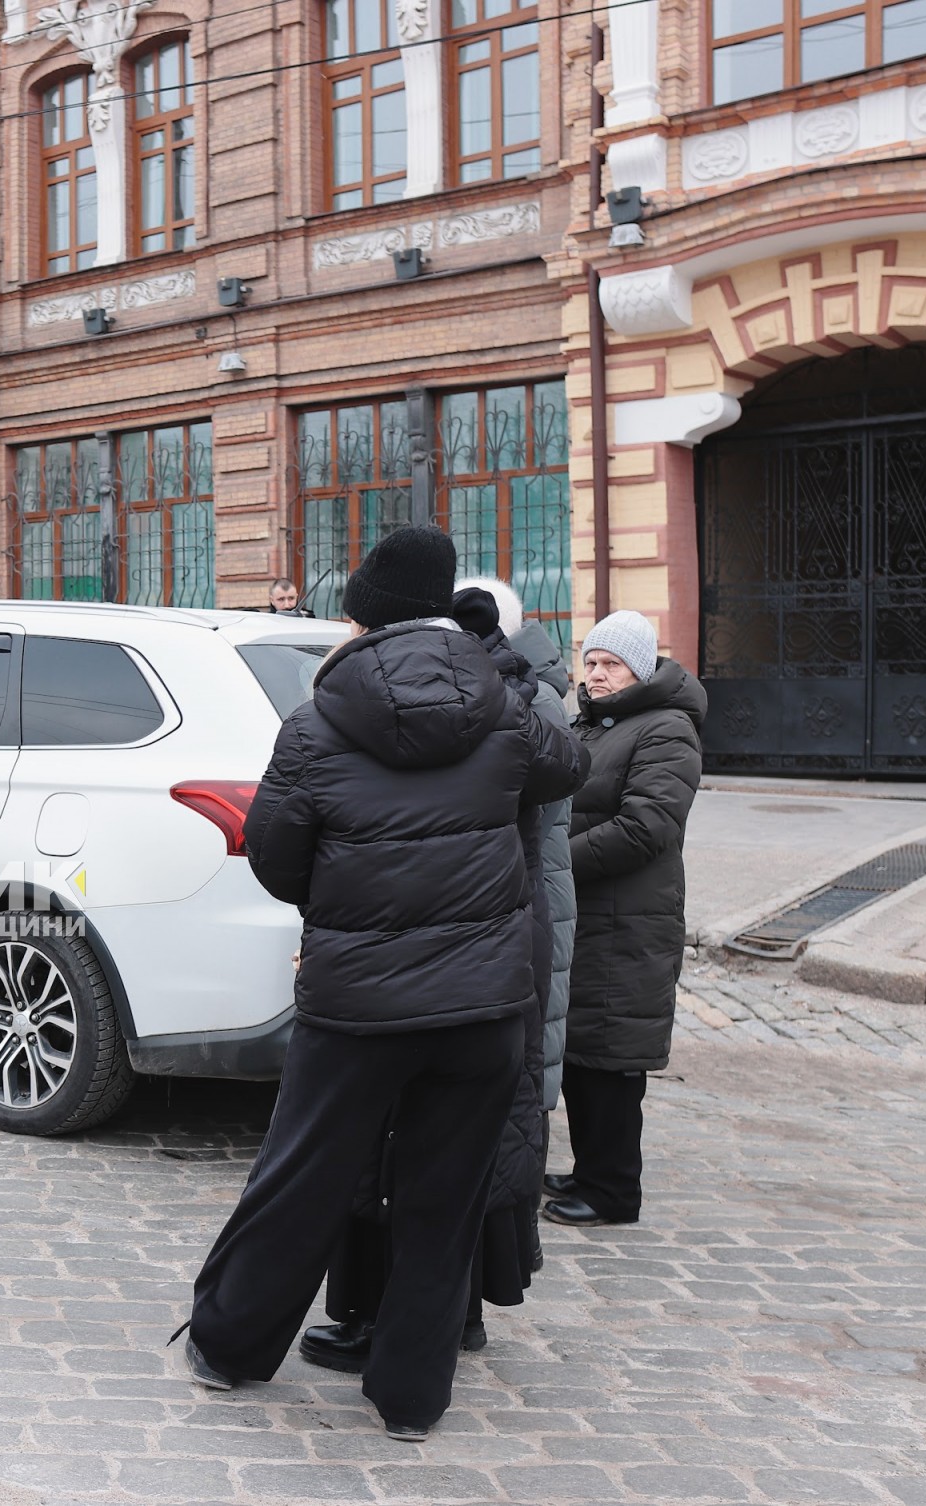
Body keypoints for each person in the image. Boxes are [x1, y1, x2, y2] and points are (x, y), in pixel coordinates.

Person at [181, 526, 586, 1442]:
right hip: (482, 1007)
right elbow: (570, 766)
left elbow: (276, 858)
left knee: (301, 1179)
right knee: (445, 1203)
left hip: (358, 1003)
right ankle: (410, 1398)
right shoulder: (501, 706)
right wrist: (504, 670)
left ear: (359, 621)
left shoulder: (317, 721)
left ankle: (229, 1348)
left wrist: (347, 897)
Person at [297, 576, 580, 1376]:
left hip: (467, 935)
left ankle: (412, 1322)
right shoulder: (514, 701)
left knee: (429, 1137)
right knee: (466, 1135)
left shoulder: (474, 705)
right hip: (502, 941)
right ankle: (447, 1317)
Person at [545, 610, 704, 1229]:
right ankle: (590, 1170)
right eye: (590, 662)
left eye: (611, 664)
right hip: (588, 915)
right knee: (582, 1049)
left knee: (611, 1057)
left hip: (628, 922)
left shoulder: (666, 729)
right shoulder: (589, 723)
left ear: (640, 668)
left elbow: (647, 826)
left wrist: (555, 862)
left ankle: (613, 1190)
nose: (597, 674)